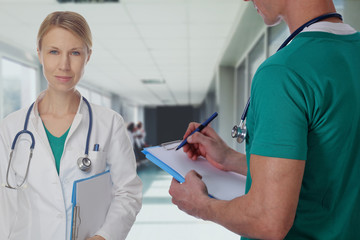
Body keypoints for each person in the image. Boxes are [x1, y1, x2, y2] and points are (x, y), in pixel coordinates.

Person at [169, 0, 360, 239]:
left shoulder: (283, 72)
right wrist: (229, 158)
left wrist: (201, 206)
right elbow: (327, 168)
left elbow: (267, 219)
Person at [0, 11, 142, 240]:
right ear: (39, 54)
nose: (64, 65)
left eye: (75, 52)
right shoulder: (11, 128)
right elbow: (4, 202)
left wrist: (105, 236)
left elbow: (128, 192)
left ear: (88, 56)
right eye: (54, 51)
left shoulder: (109, 124)